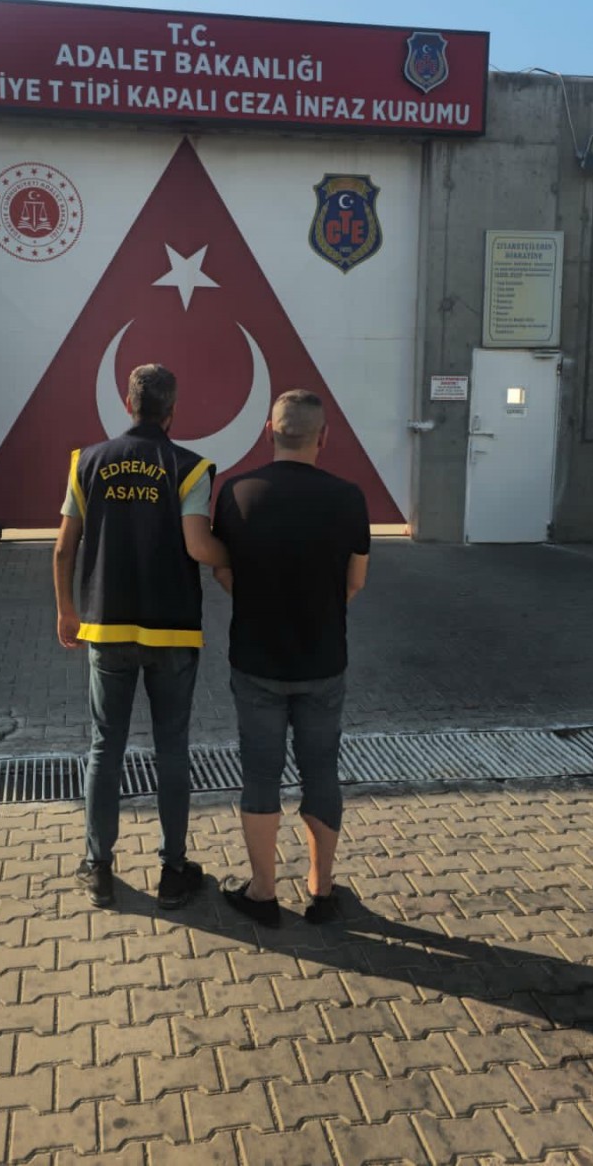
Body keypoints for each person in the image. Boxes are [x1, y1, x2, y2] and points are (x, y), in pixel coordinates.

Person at [53, 363, 229, 911]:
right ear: (171, 412)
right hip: (172, 631)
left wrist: (66, 611)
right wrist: (238, 559)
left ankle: (98, 868)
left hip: (106, 626)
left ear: (128, 404)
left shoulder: (87, 462)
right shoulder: (189, 468)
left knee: (105, 746)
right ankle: (173, 871)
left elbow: (63, 548)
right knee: (172, 747)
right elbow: (199, 547)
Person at [212, 390, 370, 927]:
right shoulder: (349, 497)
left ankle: (262, 893)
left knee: (260, 773)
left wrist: (262, 603)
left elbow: (222, 569)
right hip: (323, 661)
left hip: (255, 661)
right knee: (321, 770)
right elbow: (355, 581)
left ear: (268, 431)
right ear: (323, 437)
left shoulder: (236, 492)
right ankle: (321, 891)